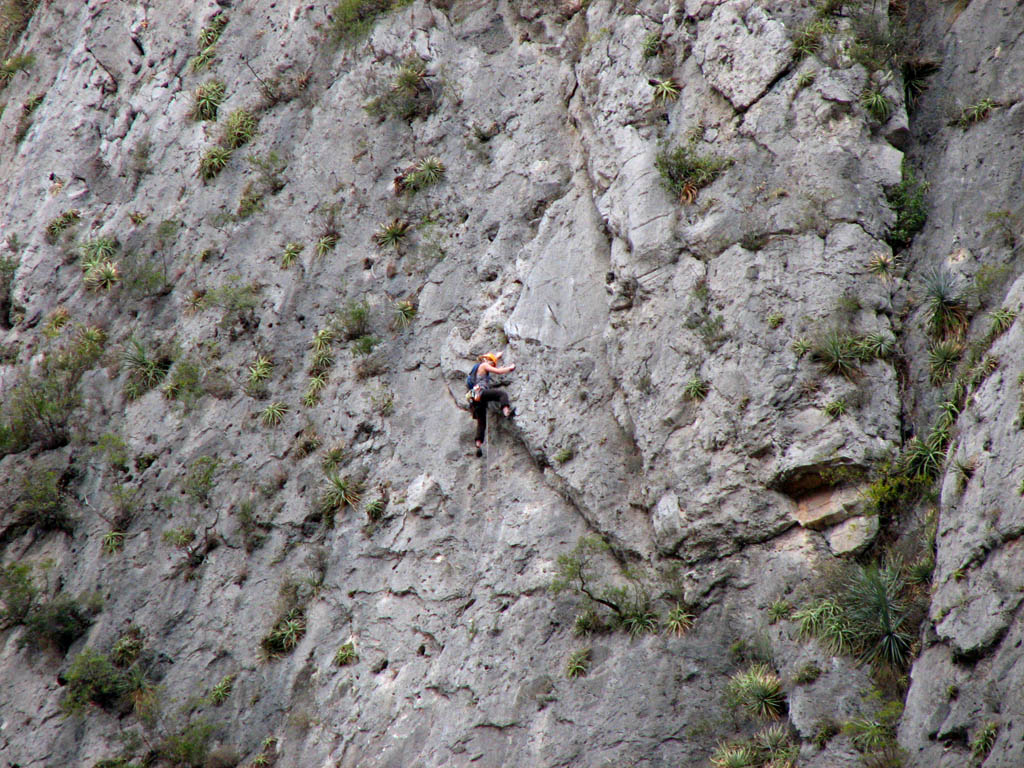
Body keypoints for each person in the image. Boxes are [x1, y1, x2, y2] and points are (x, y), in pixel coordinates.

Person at [467, 352, 516, 457]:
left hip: (475, 397)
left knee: (481, 422)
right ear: (487, 360)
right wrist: (509, 368)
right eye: (492, 363)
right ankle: (506, 412)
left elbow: (491, 361)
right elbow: (498, 371)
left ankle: (478, 445)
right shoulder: (484, 365)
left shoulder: (475, 370)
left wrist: (497, 356)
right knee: (501, 394)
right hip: (481, 393)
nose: (492, 366)